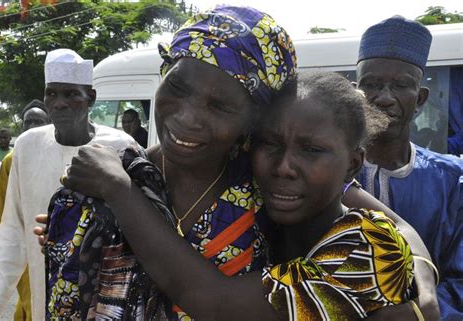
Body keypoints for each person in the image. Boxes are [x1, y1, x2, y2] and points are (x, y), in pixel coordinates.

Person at [41, 5, 437, 320]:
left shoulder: (272, 186)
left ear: (252, 117)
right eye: (177, 87)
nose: (188, 117)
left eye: (220, 105)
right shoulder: (103, 183)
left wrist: (422, 275)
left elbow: (217, 304)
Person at [0, 48, 136, 321]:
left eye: (70, 94)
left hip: (103, 292)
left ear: (90, 98)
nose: (58, 103)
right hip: (42, 290)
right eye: (52, 94)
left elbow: (139, 222)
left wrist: (76, 232)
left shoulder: (121, 147)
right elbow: (12, 228)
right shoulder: (27, 146)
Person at [355, 15, 463, 320]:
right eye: (372, 84)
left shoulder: (452, 181)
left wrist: (413, 312)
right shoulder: (328, 173)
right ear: (355, 91)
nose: (385, 97)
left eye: (401, 85)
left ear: (420, 99)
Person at [0, 99, 50, 321]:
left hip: (59, 251)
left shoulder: (66, 155)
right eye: (28, 122)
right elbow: (2, 218)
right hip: (25, 251)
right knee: (30, 306)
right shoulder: (10, 160)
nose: (33, 126)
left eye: (39, 122)